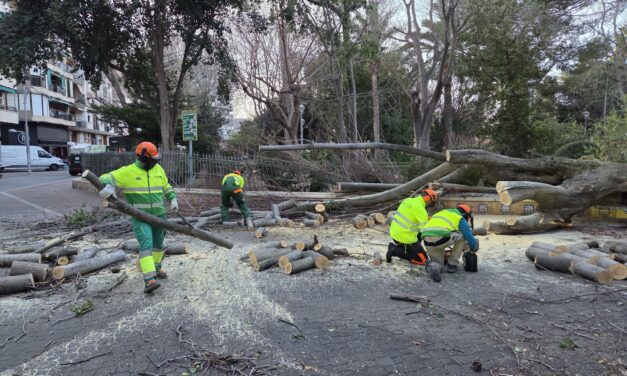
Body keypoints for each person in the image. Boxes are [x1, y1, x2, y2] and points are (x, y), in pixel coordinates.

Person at [98, 141, 177, 293]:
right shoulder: (129, 171)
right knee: (146, 244)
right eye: (152, 160)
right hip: (140, 217)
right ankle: (149, 279)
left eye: (156, 160)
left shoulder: (158, 169)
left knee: (158, 245)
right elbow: (105, 177)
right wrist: (108, 185)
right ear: (142, 157)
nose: (155, 163)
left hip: (160, 216)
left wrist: (172, 198)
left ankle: (157, 268)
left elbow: (166, 185)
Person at [387, 189, 441, 282]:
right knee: (423, 260)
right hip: (405, 238)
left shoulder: (408, 200)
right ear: (428, 199)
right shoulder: (421, 210)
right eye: (432, 201)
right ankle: (394, 250)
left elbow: (411, 215)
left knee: (417, 236)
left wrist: (428, 218)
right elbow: (425, 231)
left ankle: (409, 248)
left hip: (394, 232)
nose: (431, 204)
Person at [420, 204, 479, 273]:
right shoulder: (459, 217)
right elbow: (469, 236)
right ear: (465, 214)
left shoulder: (440, 213)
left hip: (427, 241)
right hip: (441, 238)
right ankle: (452, 264)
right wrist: (473, 248)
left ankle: (435, 266)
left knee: (439, 265)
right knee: (463, 234)